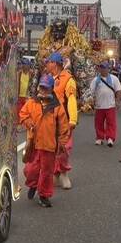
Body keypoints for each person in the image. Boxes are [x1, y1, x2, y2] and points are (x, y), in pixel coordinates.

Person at [19, 74, 70, 208]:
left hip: (49, 145)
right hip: (34, 144)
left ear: (52, 89)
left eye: (46, 88)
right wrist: (29, 123)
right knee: (30, 170)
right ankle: (33, 185)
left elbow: (64, 127)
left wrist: (62, 143)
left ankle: (44, 195)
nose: (43, 90)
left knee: (47, 172)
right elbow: (23, 115)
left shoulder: (57, 106)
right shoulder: (32, 102)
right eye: (41, 87)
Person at [46, 52, 77, 190]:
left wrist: (73, 119)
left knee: (64, 148)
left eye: (49, 62)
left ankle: (63, 173)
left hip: (63, 120)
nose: (47, 64)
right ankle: (54, 172)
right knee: (49, 148)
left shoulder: (68, 79)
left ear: (56, 63)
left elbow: (71, 99)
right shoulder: (46, 78)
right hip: (48, 119)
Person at [91, 61, 121, 147]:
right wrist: (91, 101)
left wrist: (117, 101)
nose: (102, 69)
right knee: (99, 123)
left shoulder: (114, 79)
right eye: (101, 68)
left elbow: (118, 90)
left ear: (108, 69)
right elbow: (91, 92)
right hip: (99, 105)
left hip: (110, 105)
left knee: (111, 123)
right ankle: (99, 138)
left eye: (104, 68)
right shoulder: (95, 80)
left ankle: (110, 138)